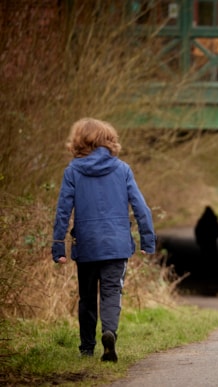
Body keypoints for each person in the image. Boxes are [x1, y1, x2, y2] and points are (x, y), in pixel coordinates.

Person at [52, 117, 156, 361]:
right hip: (116, 244)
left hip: (86, 244)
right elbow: (141, 207)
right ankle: (109, 333)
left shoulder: (73, 171)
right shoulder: (122, 169)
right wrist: (147, 241)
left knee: (87, 297)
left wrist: (58, 247)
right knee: (111, 292)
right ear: (109, 141)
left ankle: (86, 348)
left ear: (79, 142)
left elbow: (63, 212)